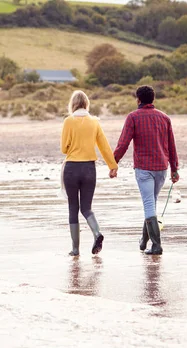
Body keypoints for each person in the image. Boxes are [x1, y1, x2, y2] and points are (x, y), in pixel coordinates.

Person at [113, 85, 179, 255]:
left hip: (144, 168)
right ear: (153, 99)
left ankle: (157, 246)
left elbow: (123, 143)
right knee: (152, 202)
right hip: (161, 168)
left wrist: (113, 163)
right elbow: (172, 146)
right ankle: (144, 241)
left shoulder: (133, 117)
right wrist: (174, 169)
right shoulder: (164, 118)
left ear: (138, 99)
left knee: (149, 204)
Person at [61, 90, 118, 256]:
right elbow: (104, 146)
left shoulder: (68, 121)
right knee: (86, 208)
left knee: (73, 208)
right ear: (87, 104)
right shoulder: (94, 122)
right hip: (89, 169)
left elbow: (63, 148)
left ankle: (75, 249)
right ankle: (97, 233)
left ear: (72, 104)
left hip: (72, 168)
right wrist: (112, 166)